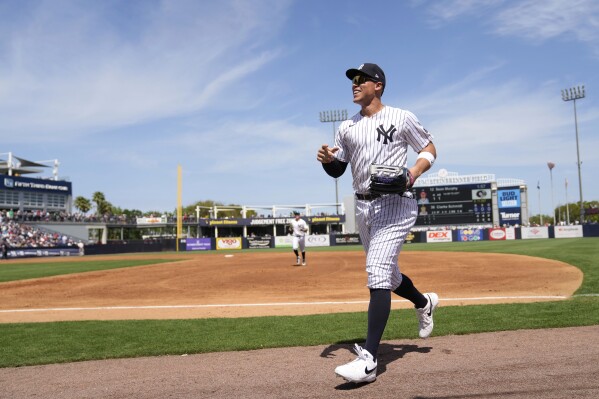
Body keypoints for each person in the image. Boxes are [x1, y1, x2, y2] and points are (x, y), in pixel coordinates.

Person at [316, 63, 439, 384]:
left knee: (376, 272)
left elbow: (429, 148)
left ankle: (369, 361)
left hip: (395, 203)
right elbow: (338, 169)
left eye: (360, 80)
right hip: (363, 207)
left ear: (378, 85)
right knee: (389, 274)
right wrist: (329, 161)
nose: (354, 85)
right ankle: (423, 302)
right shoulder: (347, 127)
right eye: (352, 81)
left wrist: (413, 173)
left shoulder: (401, 117)